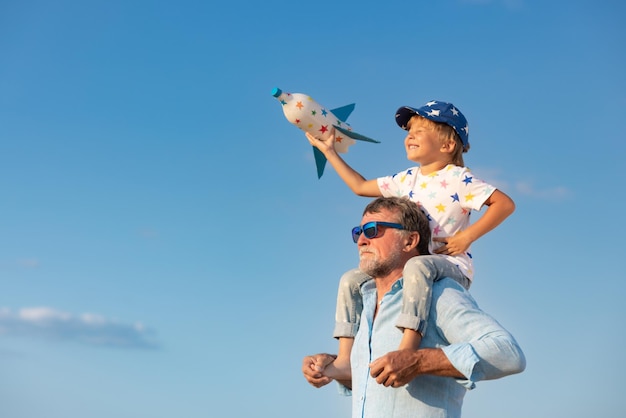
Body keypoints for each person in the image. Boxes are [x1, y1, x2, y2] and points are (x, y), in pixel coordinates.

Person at [305, 100, 515, 379]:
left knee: (419, 266)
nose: (410, 136)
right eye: (409, 131)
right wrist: (329, 151)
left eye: (420, 130)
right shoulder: (406, 179)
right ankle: (345, 358)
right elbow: (358, 186)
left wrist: (467, 236)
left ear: (447, 145)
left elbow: (504, 204)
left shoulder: (459, 178)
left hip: (448, 263)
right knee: (351, 279)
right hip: (412, 267)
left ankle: (408, 347)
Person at [302, 197, 525, 418]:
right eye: (358, 232)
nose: (361, 240)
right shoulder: (366, 306)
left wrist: (418, 361)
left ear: (409, 241)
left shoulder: (438, 294)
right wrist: (329, 367)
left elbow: (508, 354)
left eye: (372, 230)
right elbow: (379, 385)